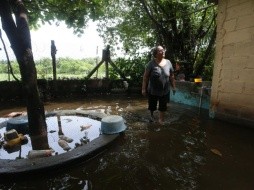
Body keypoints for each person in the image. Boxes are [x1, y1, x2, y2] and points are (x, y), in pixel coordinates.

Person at [142, 45, 176, 124]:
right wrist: (143, 89)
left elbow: (171, 76)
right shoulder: (151, 64)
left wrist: (174, 87)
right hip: (153, 90)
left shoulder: (168, 62)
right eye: (160, 50)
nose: (163, 51)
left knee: (163, 106)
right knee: (152, 106)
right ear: (156, 53)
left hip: (165, 90)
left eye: (163, 50)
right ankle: (151, 115)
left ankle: (161, 119)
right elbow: (145, 77)